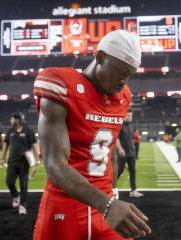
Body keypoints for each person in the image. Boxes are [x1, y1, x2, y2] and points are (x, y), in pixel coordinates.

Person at [33, 30, 151, 240]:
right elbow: (54, 164)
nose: (124, 81)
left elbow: (111, 154)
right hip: (66, 206)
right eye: (120, 72)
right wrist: (108, 205)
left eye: (130, 74)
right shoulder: (60, 83)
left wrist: (112, 195)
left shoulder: (123, 96)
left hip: (106, 206)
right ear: (100, 57)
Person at [1, 112, 39, 215]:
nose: (10, 121)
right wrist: (2, 158)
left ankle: (22, 205)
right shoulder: (10, 131)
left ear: (17, 120)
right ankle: (16, 195)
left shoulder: (28, 131)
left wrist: (36, 162)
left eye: (12, 119)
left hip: (24, 163)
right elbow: (5, 145)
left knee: (24, 184)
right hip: (12, 162)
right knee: (9, 182)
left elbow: (35, 146)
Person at [117, 110, 143, 197]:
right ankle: (109, 188)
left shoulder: (132, 125)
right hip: (122, 153)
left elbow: (134, 136)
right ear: (124, 115)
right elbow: (117, 139)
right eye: (128, 115)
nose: (129, 117)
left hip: (131, 152)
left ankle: (133, 190)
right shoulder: (120, 125)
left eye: (131, 116)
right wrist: (120, 149)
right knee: (119, 171)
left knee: (133, 171)